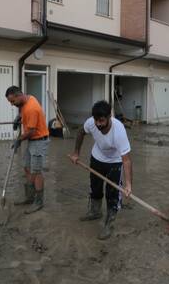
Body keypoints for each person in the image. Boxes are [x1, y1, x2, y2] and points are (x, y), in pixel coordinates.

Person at [69, 101, 133, 240]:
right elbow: (80, 132)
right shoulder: (91, 123)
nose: (98, 124)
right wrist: (76, 153)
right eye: (96, 120)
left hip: (115, 162)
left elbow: (126, 160)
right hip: (97, 157)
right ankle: (95, 211)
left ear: (109, 117)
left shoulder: (119, 131)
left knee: (112, 194)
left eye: (102, 120)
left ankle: (109, 223)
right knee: (95, 188)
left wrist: (128, 184)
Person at [5, 86, 49, 214]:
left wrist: (19, 140)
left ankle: (39, 202)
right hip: (32, 140)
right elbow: (21, 109)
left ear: (19, 95)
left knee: (36, 171)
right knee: (26, 167)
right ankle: (29, 197)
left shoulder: (32, 108)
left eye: (13, 101)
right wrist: (19, 117)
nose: (12, 104)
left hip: (39, 140)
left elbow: (31, 131)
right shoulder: (28, 98)